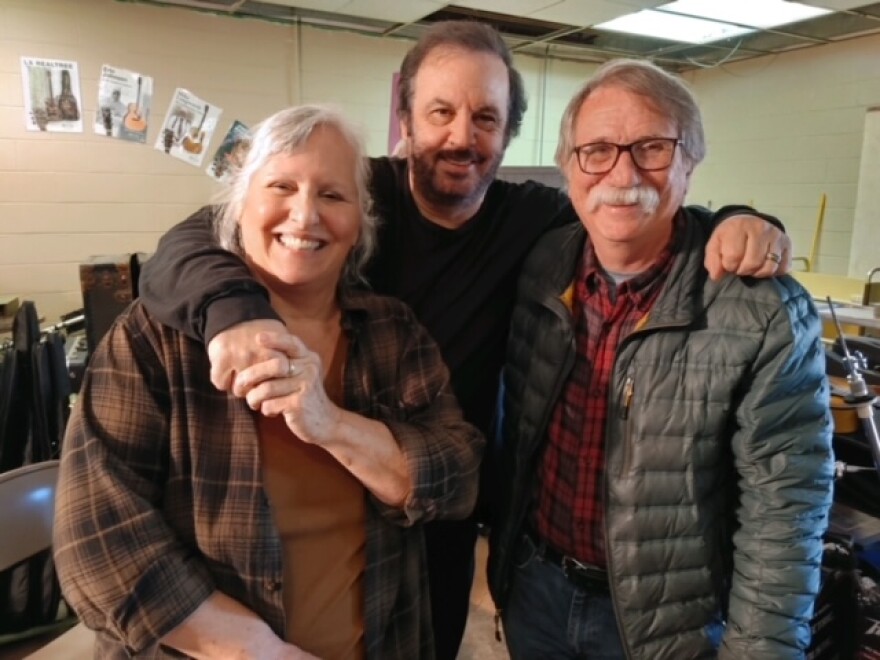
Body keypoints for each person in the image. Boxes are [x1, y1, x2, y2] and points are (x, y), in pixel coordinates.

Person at [137, 22, 794, 659]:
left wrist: (740, 220)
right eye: (441, 112)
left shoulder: (538, 222)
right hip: (297, 499)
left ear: (509, 131)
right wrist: (234, 313)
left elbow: (632, 203)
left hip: (435, 510)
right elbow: (192, 241)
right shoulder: (350, 195)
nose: (462, 136)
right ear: (405, 121)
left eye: (486, 118)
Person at [53, 105, 483, 659]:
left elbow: (458, 479)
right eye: (282, 186)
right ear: (239, 205)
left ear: (361, 223)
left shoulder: (393, 333)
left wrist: (331, 424)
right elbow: (97, 544)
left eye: (333, 195)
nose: (305, 217)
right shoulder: (153, 341)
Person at [486, 58, 834, 660]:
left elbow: (785, 511)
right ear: (569, 167)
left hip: (668, 629)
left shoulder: (760, 310)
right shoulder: (541, 268)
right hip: (535, 594)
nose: (622, 172)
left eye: (652, 147)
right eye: (596, 149)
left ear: (690, 163)